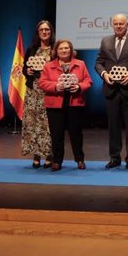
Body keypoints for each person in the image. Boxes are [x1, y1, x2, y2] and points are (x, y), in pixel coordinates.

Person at [94, 13, 128, 170]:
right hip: (111, 89)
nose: (118, 26)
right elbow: (98, 63)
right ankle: (114, 157)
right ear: (112, 25)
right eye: (115, 24)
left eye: (121, 24)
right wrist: (104, 74)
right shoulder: (106, 41)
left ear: (127, 24)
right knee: (113, 126)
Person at [38, 39, 92, 171]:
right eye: (61, 48)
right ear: (56, 51)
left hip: (75, 104)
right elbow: (42, 83)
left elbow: (88, 81)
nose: (64, 50)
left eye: (67, 48)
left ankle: (80, 159)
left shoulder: (80, 64)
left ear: (71, 50)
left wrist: (79, 87)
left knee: (76, 134)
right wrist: (56, 86)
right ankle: (57, 161)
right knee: (56, 134)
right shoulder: (48, 66)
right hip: (55, 104)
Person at [21, 20, 55, 169]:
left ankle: (48, 154)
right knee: (32, 123)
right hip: (33, 91)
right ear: (38, 32)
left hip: (48, 91)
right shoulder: (32, 49)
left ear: (51, 31)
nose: (44, 32)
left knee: (47, 124)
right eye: (42, 30)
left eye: (47, 29)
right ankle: (36, 154)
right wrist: (27, 71)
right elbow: (24, 67)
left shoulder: (55, 50)